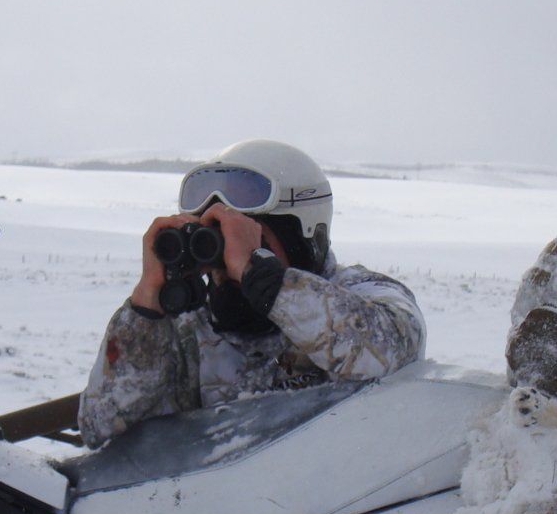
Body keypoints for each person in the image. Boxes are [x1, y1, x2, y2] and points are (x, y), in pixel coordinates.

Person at [79, 139, 427, 447]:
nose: (228, 267)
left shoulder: (363, 295)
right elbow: (100, 427)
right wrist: (146, 308)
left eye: (245, 242)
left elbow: (392, 351)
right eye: (220, 247)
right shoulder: (189, 330)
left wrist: (267, 280)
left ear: (302, 238)